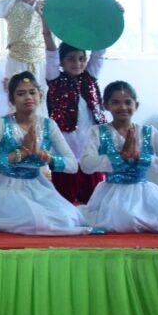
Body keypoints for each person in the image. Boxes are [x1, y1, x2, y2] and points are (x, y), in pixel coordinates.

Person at [0, 72, 91, 235]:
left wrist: (45, 157)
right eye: (21, 93)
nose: (28, 97)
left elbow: (72, 165)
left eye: (32, 92)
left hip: (37, 185)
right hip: (5, 187)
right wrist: (21, 153)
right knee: (33, 220)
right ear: (12, 99)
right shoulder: (0, 123)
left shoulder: (49, 125)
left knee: (68, 217)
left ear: (40, 96)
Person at [80, 81, 158, 233]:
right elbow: (86, 164)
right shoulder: (97, 131)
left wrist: (141, 157)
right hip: (111, 195)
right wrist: (118, 156)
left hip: (144, 195)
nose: (123, 107)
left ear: (136, 105)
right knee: (125, 220)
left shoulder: (148, 132)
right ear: (105, 105)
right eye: (116, 102)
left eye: (128, 102)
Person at [44, 27, 108, 204]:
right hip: (65, 145)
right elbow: (51, 54)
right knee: (64, 198)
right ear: (61, 62)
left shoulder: (90, 77)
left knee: (92, 199)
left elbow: (99, 53)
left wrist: (109, 21)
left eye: (81, 58)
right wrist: (46, 31)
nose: (77, 63)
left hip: (89, 144)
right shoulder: (55, 79)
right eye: (70, 59)